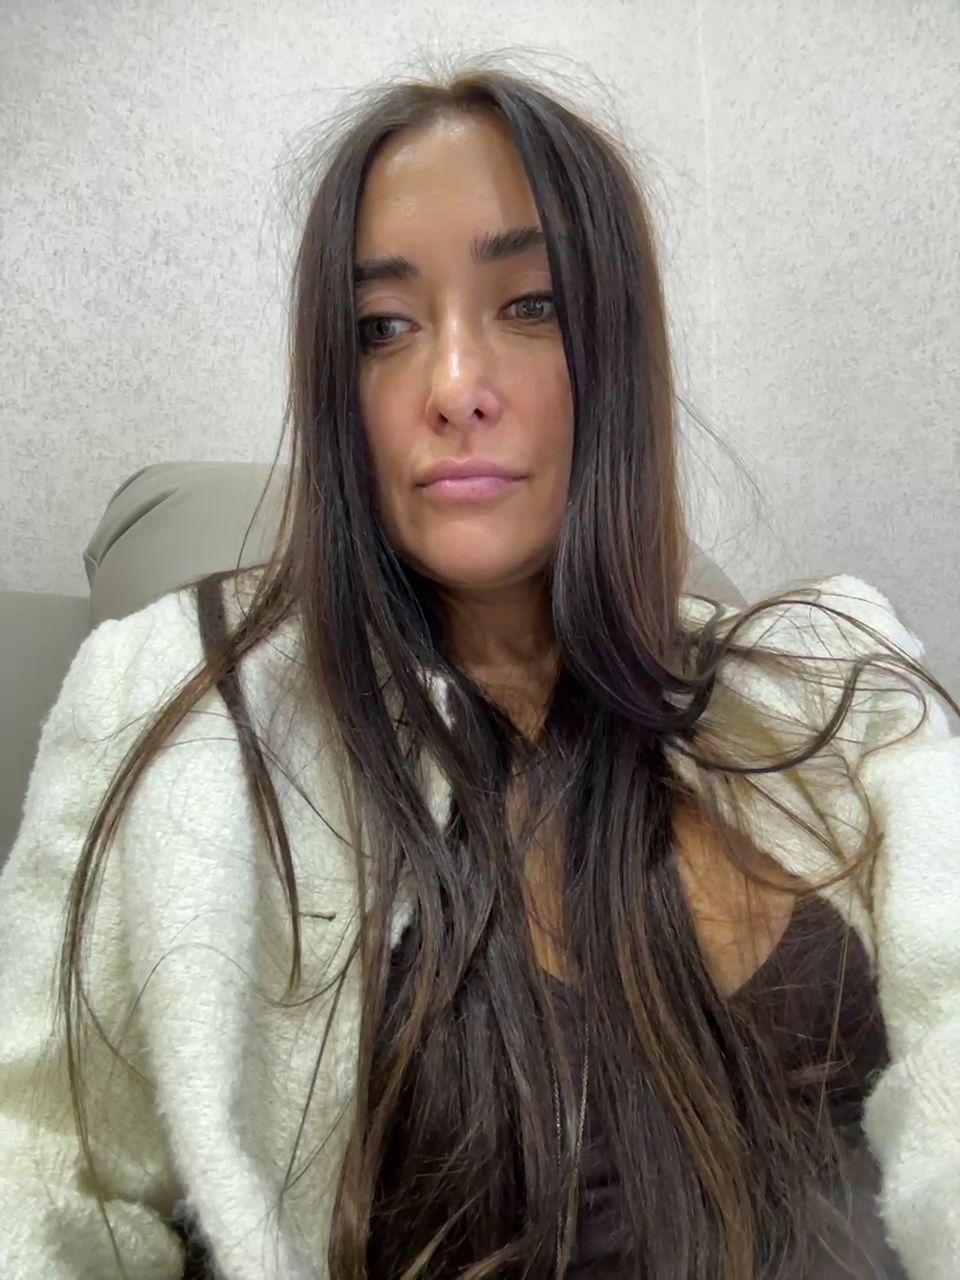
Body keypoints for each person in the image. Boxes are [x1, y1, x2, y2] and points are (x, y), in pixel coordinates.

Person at [0, 60, 957, 1280]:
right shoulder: (186, 706)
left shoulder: (830, 675)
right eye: (384, 328)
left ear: (618, 349)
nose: (455, 388)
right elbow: (36, 1170)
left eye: (532, 304)